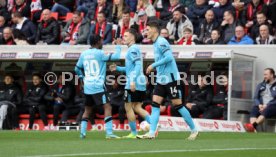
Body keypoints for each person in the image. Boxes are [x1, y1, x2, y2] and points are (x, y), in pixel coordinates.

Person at [137, 21, 198, 140]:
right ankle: (151, 133)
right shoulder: (155, 43)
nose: (146, 32)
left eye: (148, 29)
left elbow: (169, 57)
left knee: (178, 106)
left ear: (154, 30)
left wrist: (153, 65)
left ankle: (194, 130)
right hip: (161, 80)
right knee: (155, 105)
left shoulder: (161, 41)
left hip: (171, 79)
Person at [75, 34, 121, 139]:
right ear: (98, 42)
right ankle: (109, 133)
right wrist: (118, 45)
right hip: (98, 85)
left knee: (87, 110)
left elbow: (77, 69)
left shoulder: (84, 54)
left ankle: (82, 133)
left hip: (87, 86)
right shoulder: (100, 53)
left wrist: (83, 78)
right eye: (101, 41)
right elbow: (117, 56)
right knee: (108, 106)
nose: (102, 43)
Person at [110, 29, 151, 138]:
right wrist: (117, 68)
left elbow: (138, 66)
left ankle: (134, 133)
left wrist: (132, 80)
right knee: (137, 107)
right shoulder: (133, 49)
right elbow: (130, 68)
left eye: (126, 35)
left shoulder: (133, 49)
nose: (124, 37)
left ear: (133, 37)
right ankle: (154, 126)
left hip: (134, 81)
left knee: (128, 107)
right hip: (139, 81)